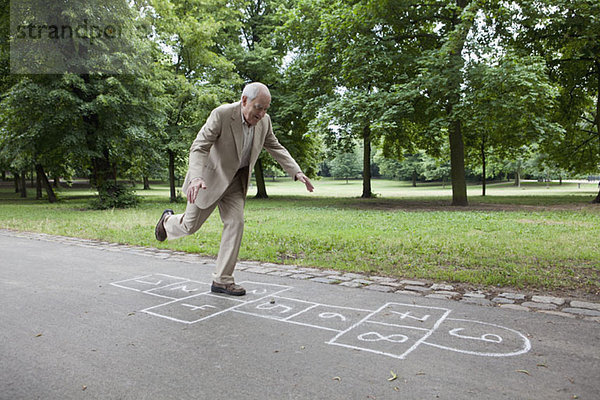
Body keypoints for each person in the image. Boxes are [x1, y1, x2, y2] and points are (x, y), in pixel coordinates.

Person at [154, 82, 314, 296]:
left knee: (235, 223)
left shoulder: (264, 122)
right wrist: (196, 178)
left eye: (266, 108)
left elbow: (275, 146)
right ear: (244, 100)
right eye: (258, 107)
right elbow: (199, 146)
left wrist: (296, 172)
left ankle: (222, 280)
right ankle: (167, 222)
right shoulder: (222, 114)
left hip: (236, 183)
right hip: (208, 180)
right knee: (190, 226)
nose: (262, 113)